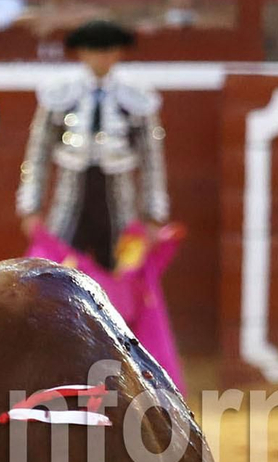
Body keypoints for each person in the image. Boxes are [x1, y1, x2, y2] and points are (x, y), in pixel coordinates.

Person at [16, 20, 168, 274]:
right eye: (95, 50)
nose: (102, 57)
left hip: (120, 201)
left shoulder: (136, 95)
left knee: (124, 275)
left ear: (118, 52)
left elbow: (152, 159)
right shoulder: (61, 92)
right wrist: (30, 207)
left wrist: (153, 215)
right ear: (82, 52)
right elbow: (38, 153)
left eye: (108, 50)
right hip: (69, 196)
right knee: (56, 274)